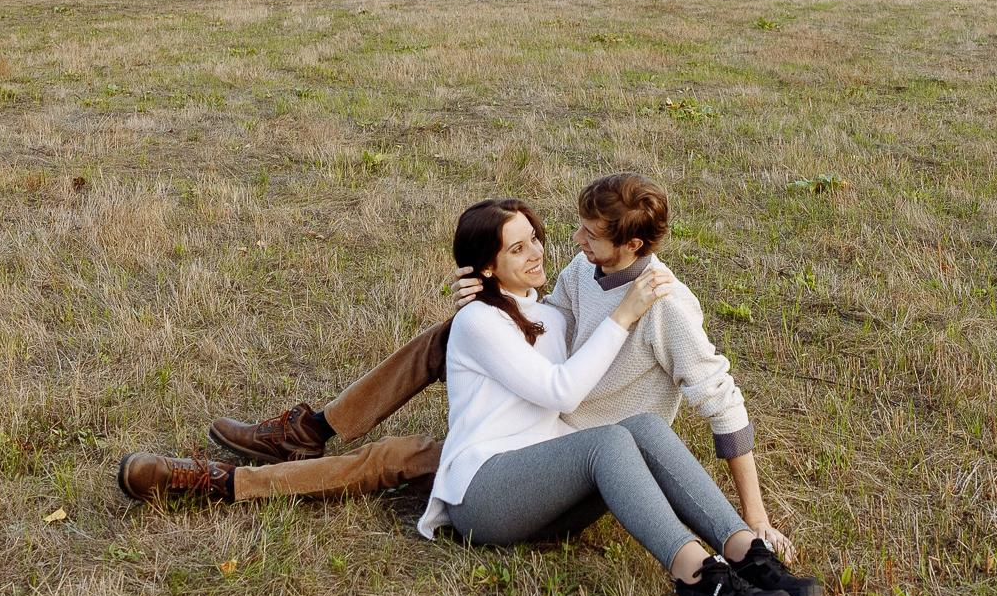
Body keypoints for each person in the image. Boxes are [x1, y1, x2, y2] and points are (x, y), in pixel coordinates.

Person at [118, 173, 795, 558]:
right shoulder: (585, 270)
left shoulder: (666, 307)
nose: (570, 243)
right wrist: (491, 299)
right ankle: (307, 432)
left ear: (634, 243)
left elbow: (723, 404)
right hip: (524, 429)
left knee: (390, 455)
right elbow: (550, 312)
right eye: (570, 233)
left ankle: (225, 482)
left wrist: (755, 517)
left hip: (569, 451)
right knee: (452, 340)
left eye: (586, 233)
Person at [423, 199, 816, 596]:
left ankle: (750, 556)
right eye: (517, 249)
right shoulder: (477, 319)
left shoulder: (548, 311)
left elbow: (582, 332)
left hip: (542, 491)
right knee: (606, 442)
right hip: (483, 496)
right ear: (488, 267)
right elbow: (563, 390)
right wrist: (625, 313)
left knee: (644, 425)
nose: (536, 252)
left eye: (534, 238)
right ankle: (701, 589)